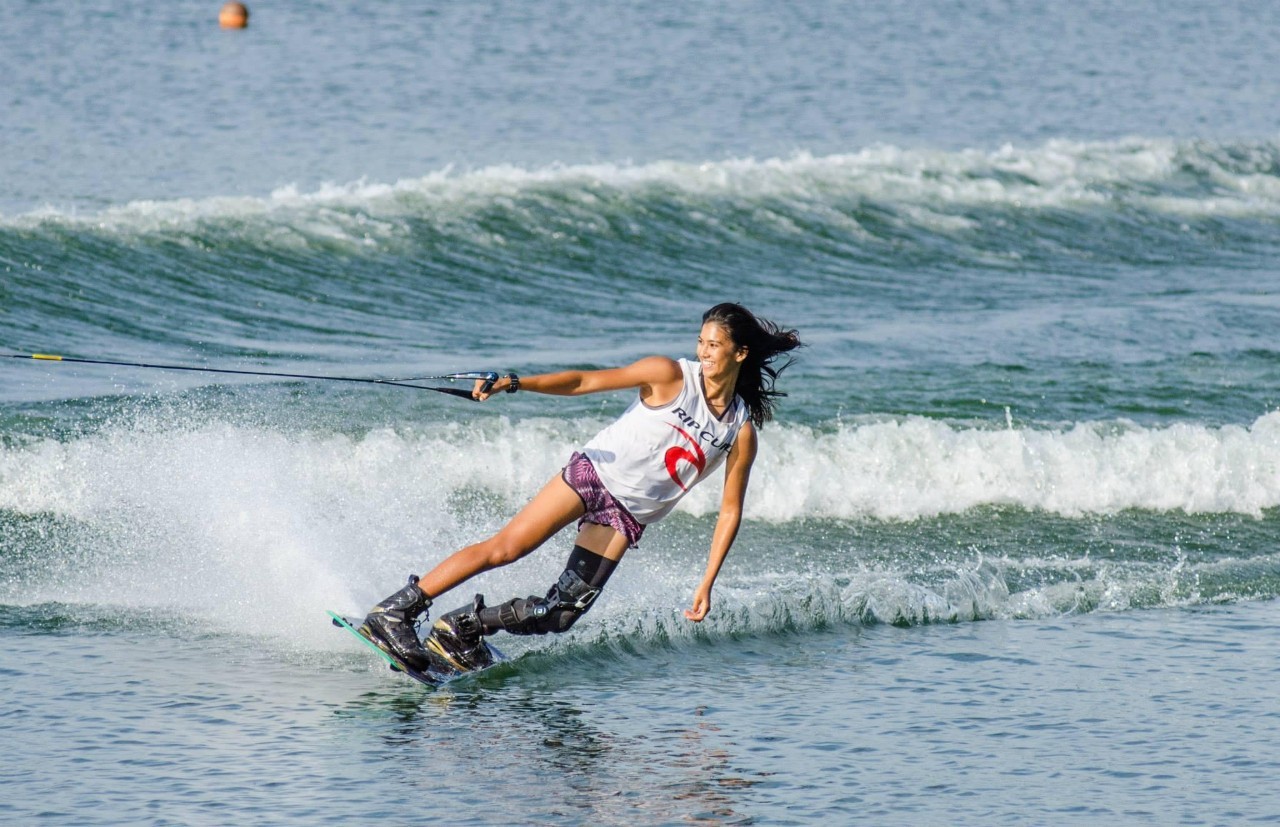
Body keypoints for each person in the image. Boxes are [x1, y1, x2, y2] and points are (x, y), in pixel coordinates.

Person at [359, 303, 802, 672]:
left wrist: (707, 582)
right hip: (594, 476)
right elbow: (584, 381)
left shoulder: (739, 430)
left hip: (624, 516)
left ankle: (466, 628)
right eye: (701, 342)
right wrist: (517, 383)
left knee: (560, 614)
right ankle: (397, 610)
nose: (704, 352)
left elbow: (730, 510)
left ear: (741, 354)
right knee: (507, 548)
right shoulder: (669, 375)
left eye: (715, 345)